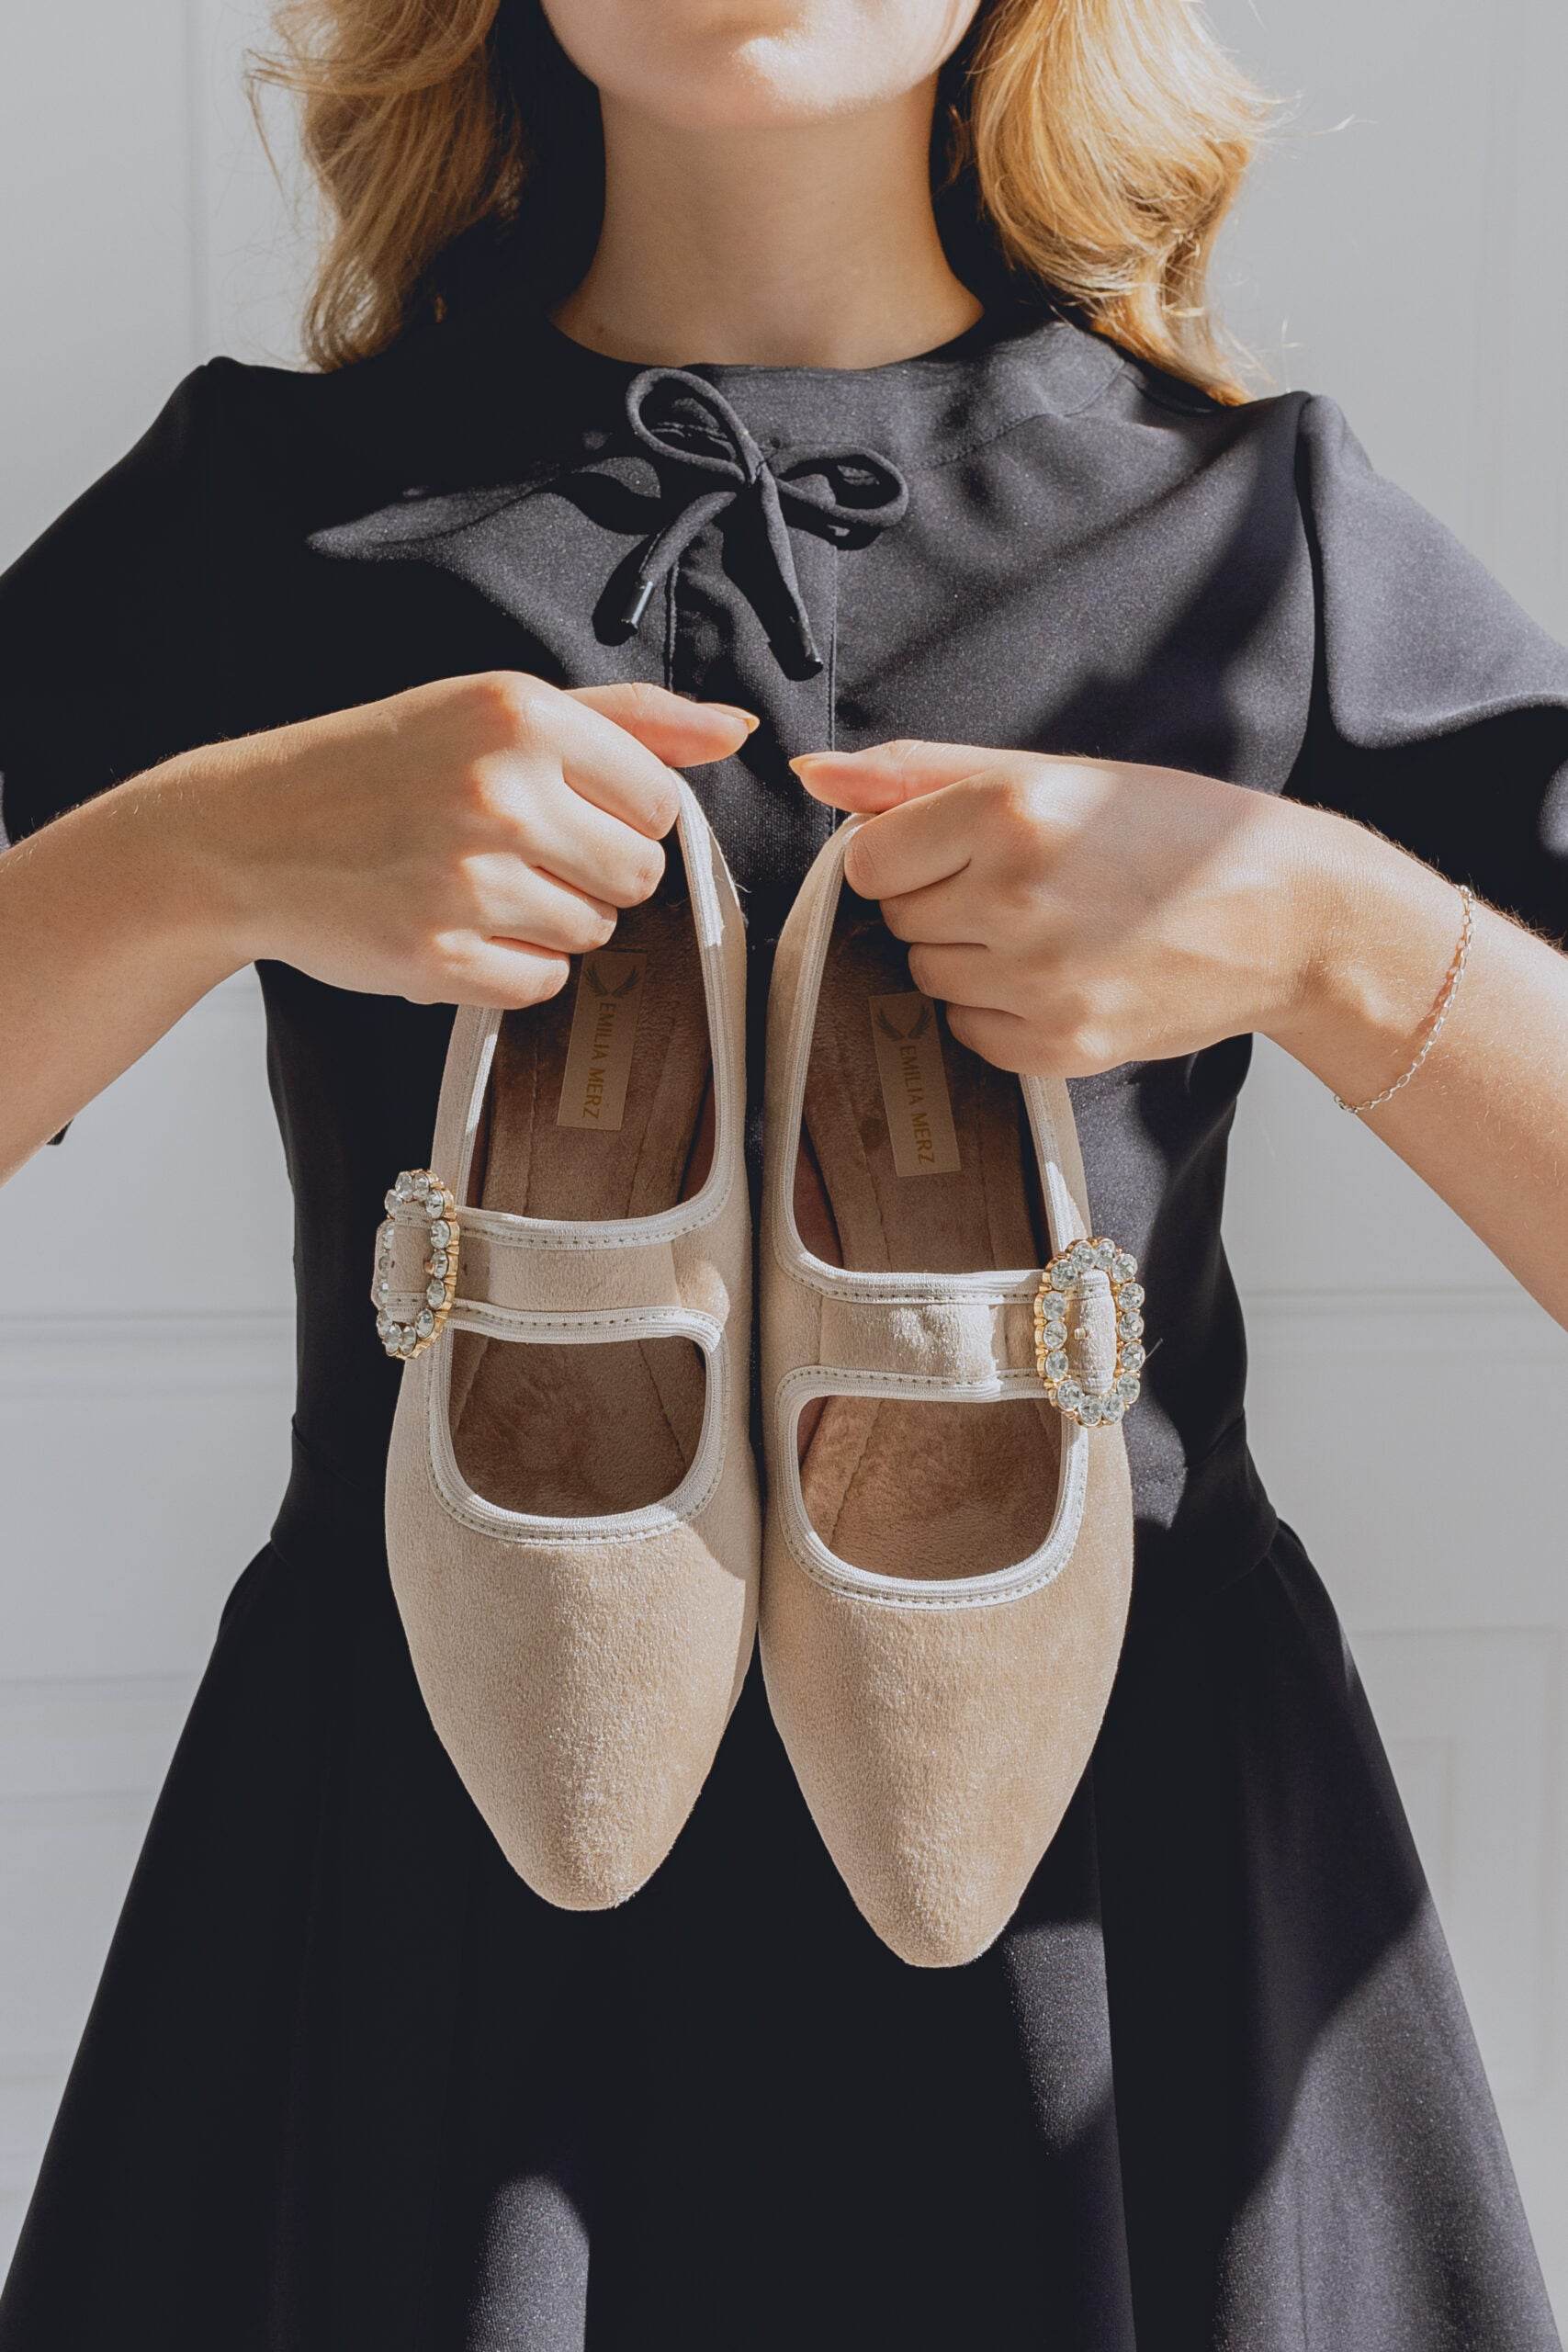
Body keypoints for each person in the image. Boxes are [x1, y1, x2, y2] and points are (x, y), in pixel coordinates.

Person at [1, 1, 1565, 2344]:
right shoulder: (265, 508)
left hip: (1109, 1911)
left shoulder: (1255, 529)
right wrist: (193, 855)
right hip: (424, 1863)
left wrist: (1339, 931)